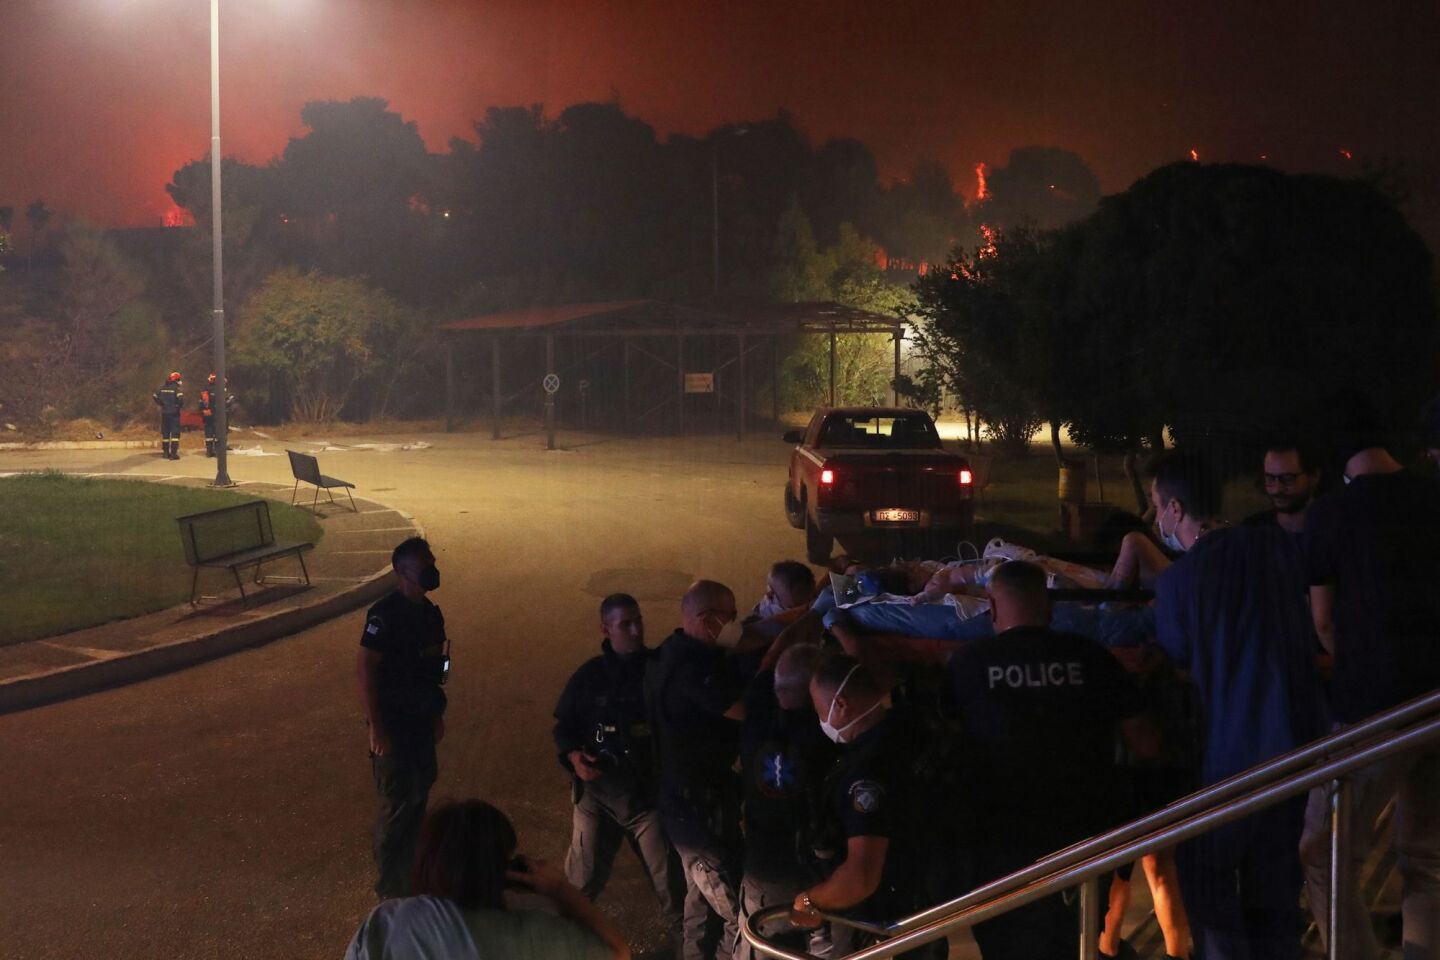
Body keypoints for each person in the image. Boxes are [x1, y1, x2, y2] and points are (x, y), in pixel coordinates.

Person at [1150, 450, 1324, 960]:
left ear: (1176, 508)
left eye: (1157, 506)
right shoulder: (1279, 548)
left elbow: (1177, 652)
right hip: (1299, 746)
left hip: (1233, 755)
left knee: (1205, 873)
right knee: (1276, 897)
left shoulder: (1180, 582)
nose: (1155, 517)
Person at [944, 560, 1150, 960]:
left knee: (1005, 941)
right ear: (1049, 604)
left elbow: (948, 740)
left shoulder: (968, 664)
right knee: (1075, 939)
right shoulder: (1091, 657)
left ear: (992, 605)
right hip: (1081, 836)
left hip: (999, 839)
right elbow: (1145, 741)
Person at [1300, 403, 1440, 960]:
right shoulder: (1434, 497)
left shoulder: (1332, 514)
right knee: (1427, 858)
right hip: (1437, 700)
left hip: (1373, 709)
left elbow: (1323, 620)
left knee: (1323, 854)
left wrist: (1359, 661)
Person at [789, 653, 943, 959]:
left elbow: (861, 876)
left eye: (819, 709)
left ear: (841, 705)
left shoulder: (867, 773)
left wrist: (809, 901)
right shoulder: (910, 732)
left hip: (884, 923)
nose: (819, 719)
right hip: (924, 904)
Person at [343, 798, 630, 960]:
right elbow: (618, 952)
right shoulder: (536, 933)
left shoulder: (385, 923)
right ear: (503, 869)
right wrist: (560, 889)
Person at [552, 594, 681, 932]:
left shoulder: (661, 668)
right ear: (605, 628)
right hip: (597, 797)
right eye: (626, 624)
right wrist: (573, 758)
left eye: (639, 620)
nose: (637, 630)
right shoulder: (590, 676)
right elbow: (564, 727)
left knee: (676, 895)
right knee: (577, 892)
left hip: (649, 801)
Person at [647, 580, 749, 960]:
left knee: (701, 904)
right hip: (696, 813)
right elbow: (744, 711)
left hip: (695, 802)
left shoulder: (674, 651)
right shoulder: (691, 670)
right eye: (730, 617)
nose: (735, 625)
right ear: (706, 620)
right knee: (740, 914)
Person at [357, 537, 451, 900]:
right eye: (424, 565)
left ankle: (410, 877)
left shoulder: (430, 614)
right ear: (401, 572)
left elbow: (431, 670)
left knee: (418, 800)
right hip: (393, 727)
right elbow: (365, 671)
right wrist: (376, 727)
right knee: (397, 809)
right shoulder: (385, 615)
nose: (432, 570)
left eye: (433, 562)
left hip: (421, 724)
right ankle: (389, 890)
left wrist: (436, 715)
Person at [737, 642, 834, 960]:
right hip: (815, 871)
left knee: (764, 947)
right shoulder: (824, 735)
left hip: (764, 869)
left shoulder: (755, 717)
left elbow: (767, 665)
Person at [1242, 440, 1321, 535]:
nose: (1277, 489)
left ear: (1314, 477)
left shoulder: (1336, 529)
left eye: (1288, 479)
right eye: (1270, 478)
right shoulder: (1252, 530)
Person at [198, 373, 234, 458]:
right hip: (218, 414)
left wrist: (203, 411)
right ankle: (218, 452)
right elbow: (227, 402)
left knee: (209, 433)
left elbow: (201, 402)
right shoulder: (221, 389)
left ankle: (209, 452)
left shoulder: (205, 390)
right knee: (218, 433)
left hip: (207, 414)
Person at [152, 371, 184, 460]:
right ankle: (173, 454)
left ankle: (165, 453)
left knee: (165, 433)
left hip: (164, 413)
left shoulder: (162, 388)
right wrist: (178, 406)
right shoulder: (176, 389)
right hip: (174, 413)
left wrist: (161, 403)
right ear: (177, 380)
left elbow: (154, 396)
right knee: (175, 433)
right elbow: (181, 400)